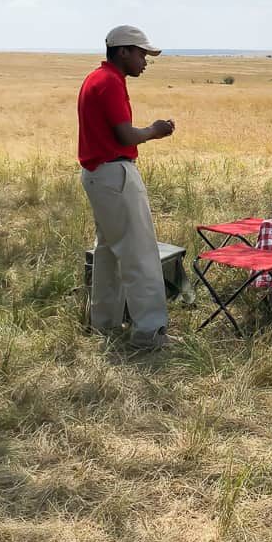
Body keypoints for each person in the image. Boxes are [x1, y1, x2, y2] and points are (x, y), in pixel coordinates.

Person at [78, 25, 176, 349]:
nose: (145, 61)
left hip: (97, 175)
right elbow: (124, 135)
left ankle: (104, 324)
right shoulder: (109, 83)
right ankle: (150, 333)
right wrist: (155, 130)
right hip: (115, 174)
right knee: (140, 254)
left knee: (108, 253)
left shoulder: (96, 78)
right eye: (142, 54)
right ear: (123, 52)